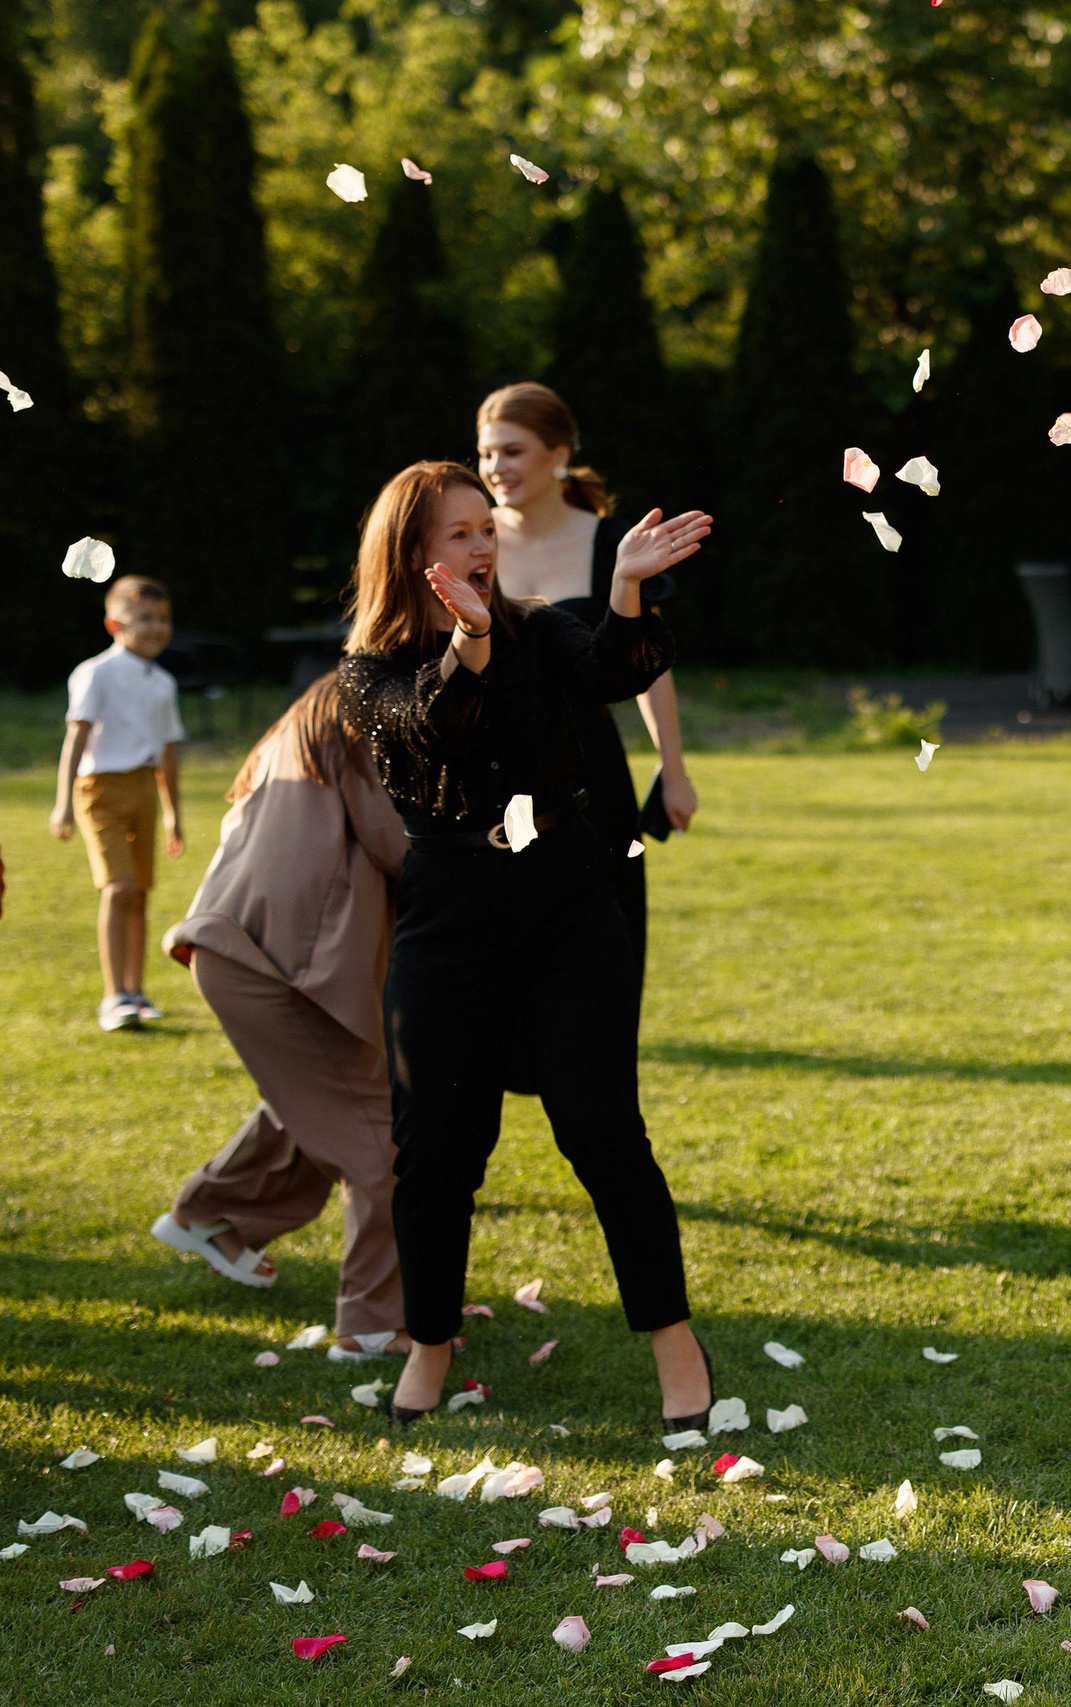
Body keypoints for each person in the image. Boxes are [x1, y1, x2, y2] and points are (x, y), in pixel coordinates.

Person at [336, 460, 716, 1427]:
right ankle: (430, 1347)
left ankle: (678, 1349)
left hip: (569, 904)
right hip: (450, 918)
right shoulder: (367, 672)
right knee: (435, 1151)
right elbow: (432, 729)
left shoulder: (540, 626)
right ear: (410, 553)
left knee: (600, 1127)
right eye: (458, 533)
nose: (480, 546)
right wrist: (466, 638)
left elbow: (617, 669)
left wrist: (626, 589)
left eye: (484, 531)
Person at [152, 676, 411, 1359]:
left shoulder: (315, 707)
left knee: (322, 1103)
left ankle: (212, 1212)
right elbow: (400, 842)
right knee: (380, 1138)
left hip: (245, 944)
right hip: (274, 961)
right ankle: (373, 1325)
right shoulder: (364, 710)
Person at [476, 382, 696, 974]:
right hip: (486, 770)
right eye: (487, 452)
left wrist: (673, 772)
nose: (496, 468)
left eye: (512, 451)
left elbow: (646, 667)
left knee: (607, 937)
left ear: (560, 453)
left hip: (590, 769)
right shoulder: (473, 541)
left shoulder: (611, 545)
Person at [50, 575, 186, 1031]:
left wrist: (173, 815)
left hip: (144, 790)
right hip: (99, 791)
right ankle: (114, 997)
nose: (155, 628)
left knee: (140, 895)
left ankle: (136, 991)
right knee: (118, 888)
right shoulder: (95, 673)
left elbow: (168, 752)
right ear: (114, 623)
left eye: (163, 619)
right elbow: (77, 736)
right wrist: (62, 803)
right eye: (144, 618)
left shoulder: (163, 682)